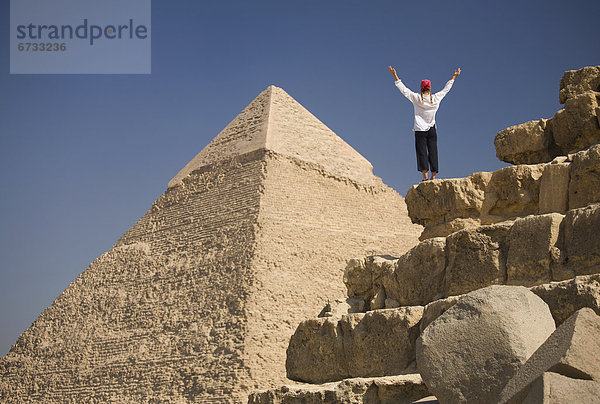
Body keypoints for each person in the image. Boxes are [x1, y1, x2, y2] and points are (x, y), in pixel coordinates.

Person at [388, 66, 461, 181]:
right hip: (432, 128)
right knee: (433, 150)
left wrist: (395, 76)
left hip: (419, 129)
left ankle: (425, 177)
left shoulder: (416, 98)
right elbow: (446, 89)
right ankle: (433, 176)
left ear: (421, 88)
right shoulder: (436, 98)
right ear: (430, 88)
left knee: (421, 151)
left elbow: (404, 90)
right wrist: (454, 77)